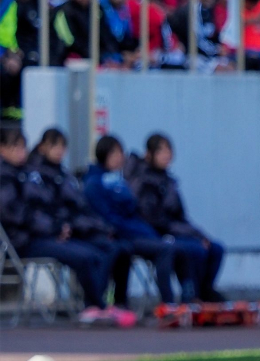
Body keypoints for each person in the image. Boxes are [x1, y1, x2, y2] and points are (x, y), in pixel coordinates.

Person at [26, 127, 138, 322]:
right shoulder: (35, 176)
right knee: (91, 254)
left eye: (62, 146)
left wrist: (102, 228)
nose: (59, 150)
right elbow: (39, 211)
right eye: (54, 145)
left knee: (119, 248)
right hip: (45, 235)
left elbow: (81, 209)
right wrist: (58, 228)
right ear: (42, 147)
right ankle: (94, 305)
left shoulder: (64, 175)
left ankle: (109, 303)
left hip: (72, 229)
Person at [83, 134, 182, 302]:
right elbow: (108, 217)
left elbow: (132, 210)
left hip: (132, 232)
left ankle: (187, 297)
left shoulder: (119, 181)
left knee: (177, 246)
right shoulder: (94, 183)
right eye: (115, 153)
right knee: (163, 249)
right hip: (119, 234)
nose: (120, 157)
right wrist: (139, 231)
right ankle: (169, 302)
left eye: (121, 152)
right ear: (104, 154)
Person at [129, 133, 225, 301]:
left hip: (176, 230)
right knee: (196, 249)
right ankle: (191, 295)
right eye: (161, 151)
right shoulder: (144, 182)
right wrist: (190, 235)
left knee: (216, 248)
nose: (166, 155)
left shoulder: (169, 181)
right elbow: (154, 219)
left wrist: (198, 234)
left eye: (169, 150)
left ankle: (205, 290)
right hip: (157, 234)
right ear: (149, 154)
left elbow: (181, 217)